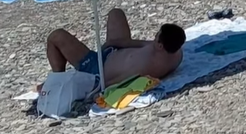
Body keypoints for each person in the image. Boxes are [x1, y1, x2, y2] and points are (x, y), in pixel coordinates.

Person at [45, 8, 184, 84]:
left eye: (156, 36)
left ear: (160, 46)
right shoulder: (176, 53)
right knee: (116, 13)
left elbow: (113, 83)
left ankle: (57, 80)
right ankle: (112, 45)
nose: (154, 37)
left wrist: (95, 90)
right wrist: (112, 43)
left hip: (98, 67)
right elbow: (138, 43)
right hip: (116, 51)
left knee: (56, 36)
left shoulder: (145, 67)